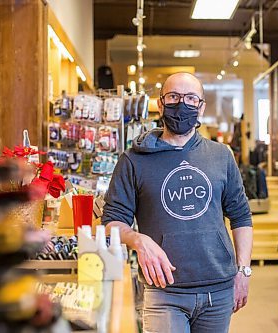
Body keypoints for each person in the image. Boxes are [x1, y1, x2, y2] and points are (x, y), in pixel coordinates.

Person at [102, 72, 253, 333]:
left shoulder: (221, 156)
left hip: (217, 290)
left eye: (191, 98)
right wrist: (139, 240)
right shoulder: (133, 160)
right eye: (173, 96)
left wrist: (243, 271)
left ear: (201, 107)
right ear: (160, 104)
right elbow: (111, 222)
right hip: (163, 291)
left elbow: (241, 216)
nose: (181, 104)